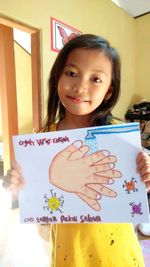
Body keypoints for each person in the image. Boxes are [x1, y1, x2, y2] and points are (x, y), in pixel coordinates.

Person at [3, 34, 150, 267]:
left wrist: (145, 175)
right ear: (57, 78)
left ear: (109, 91)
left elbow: (135, 189)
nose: (80, 87)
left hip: (118, 255)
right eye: (71, 73)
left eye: (95, 79)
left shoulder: (120, 136)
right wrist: (15, 185)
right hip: (68, 255)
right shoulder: (42, 141)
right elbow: (36, 203)